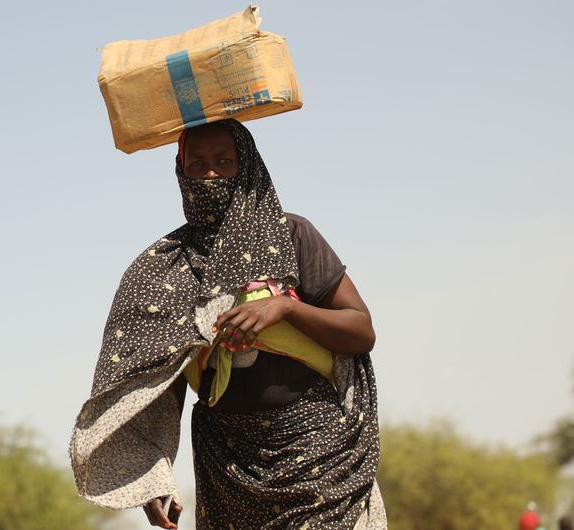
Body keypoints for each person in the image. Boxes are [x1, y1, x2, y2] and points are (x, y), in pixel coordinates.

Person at [69, 119, 383, 529]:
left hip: (317, 452)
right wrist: (153, 479)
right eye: (196, 164)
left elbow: (361, 331)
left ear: (248, 165)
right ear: (180, 171)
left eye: (224, 161)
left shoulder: (290, 236)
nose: (210, 174)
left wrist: (284, 309)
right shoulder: (165, 269)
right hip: (229, 465)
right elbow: (156, 380)